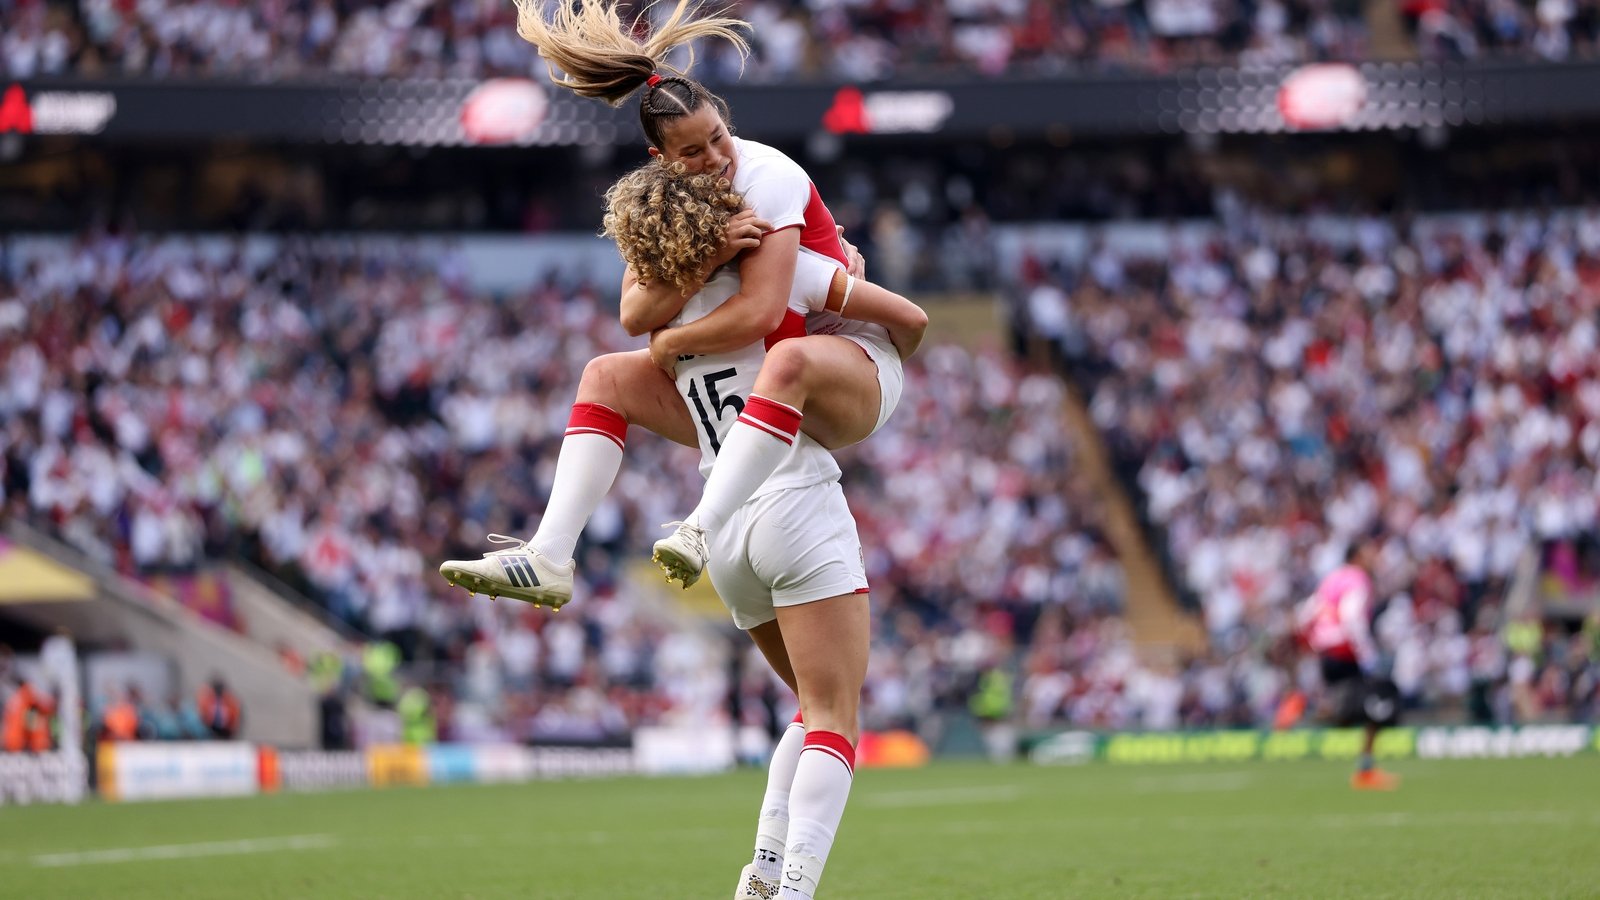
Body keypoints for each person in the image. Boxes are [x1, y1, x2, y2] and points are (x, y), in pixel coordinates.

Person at [438, 0, 922, 612]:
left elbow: (761, 313)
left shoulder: (765, 179)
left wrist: (673, 341)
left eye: (718, 137)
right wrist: (705, 257)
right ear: (661, 161)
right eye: (692, 152)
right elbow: (633, 315)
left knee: (785, 359)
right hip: (762, 404)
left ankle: (699, 526)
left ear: (726, 119)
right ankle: (549, 555)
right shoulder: (666, 203)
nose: (715, 159)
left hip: (844, 364)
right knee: (604, 376)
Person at [1296, 540, 1401, 790]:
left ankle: (1306, 705)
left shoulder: (1331, 579)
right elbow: (1352, 617)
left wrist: (1314, 642)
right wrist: (1367, 655)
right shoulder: (1358, 580)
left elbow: (1306, 614)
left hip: (1327, 651)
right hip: (1347, 651)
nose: (1374, 559)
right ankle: (1365, 769)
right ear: (1357, 557)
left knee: (1350, 710)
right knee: (1379, 703)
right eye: (1369, 554)